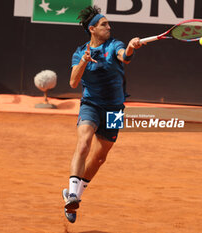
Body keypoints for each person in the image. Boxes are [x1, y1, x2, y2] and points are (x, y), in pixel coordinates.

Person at [62, 5, 145, 223]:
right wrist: (84, 61)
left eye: (108, 24)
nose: (109, 27)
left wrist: (130, 48)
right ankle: (72, 192)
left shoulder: (114, 44)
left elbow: (124, 56)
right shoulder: (80, 52)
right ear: (92, 29)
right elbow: (72, 82)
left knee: (99, 158)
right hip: (91, 104)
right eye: (104, 24)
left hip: (115, 108)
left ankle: (75, 197)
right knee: (83, 143)